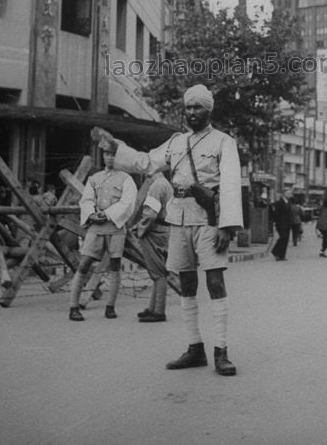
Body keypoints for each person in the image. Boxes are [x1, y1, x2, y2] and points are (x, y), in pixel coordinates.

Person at [92, 83, 243, 376]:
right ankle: (194, 347)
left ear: (208, 110)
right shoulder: (175, 142)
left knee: (214, 282)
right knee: (186, 284)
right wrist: (115, 145)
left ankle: (221, 351)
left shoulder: (224, 142)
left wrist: (227, 226)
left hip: (209, 220)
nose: (192, 112)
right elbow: (147, 162)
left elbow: (231, 185)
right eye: (188, 107)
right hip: (179, 219)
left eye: (197, 107)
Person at [68, 148, 137, 322]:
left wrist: (107, 214)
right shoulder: (95, 178)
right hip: (96, 227)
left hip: (115, 227)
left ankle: (110, 306)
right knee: (84, 264)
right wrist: (91, 214)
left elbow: (128, 203)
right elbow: (86, 200)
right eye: (106, 154)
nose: (109, 157)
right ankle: (73, 307)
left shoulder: (126, 179)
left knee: (115, 265)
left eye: (113, 154)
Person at [132, 170, 174, 323]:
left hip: (154, 232)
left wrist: (139, 229)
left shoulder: (156, 186)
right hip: (164, 231)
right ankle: (153, 307)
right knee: (158, 271)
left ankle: (159, 311)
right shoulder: (165, 184)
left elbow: (150, 214)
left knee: (157, 273)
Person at [270, 191, 293, 260]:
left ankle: (282, 255)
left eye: (290, 194)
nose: (290, 195)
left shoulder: (289, 202)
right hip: (281, 224)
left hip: (288, 223)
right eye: (288, 193)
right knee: (283, 237)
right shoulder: (278, 203)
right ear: (284, 194)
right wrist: (277, 220)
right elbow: (274, 212)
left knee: (286, 239)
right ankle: (275, 251)